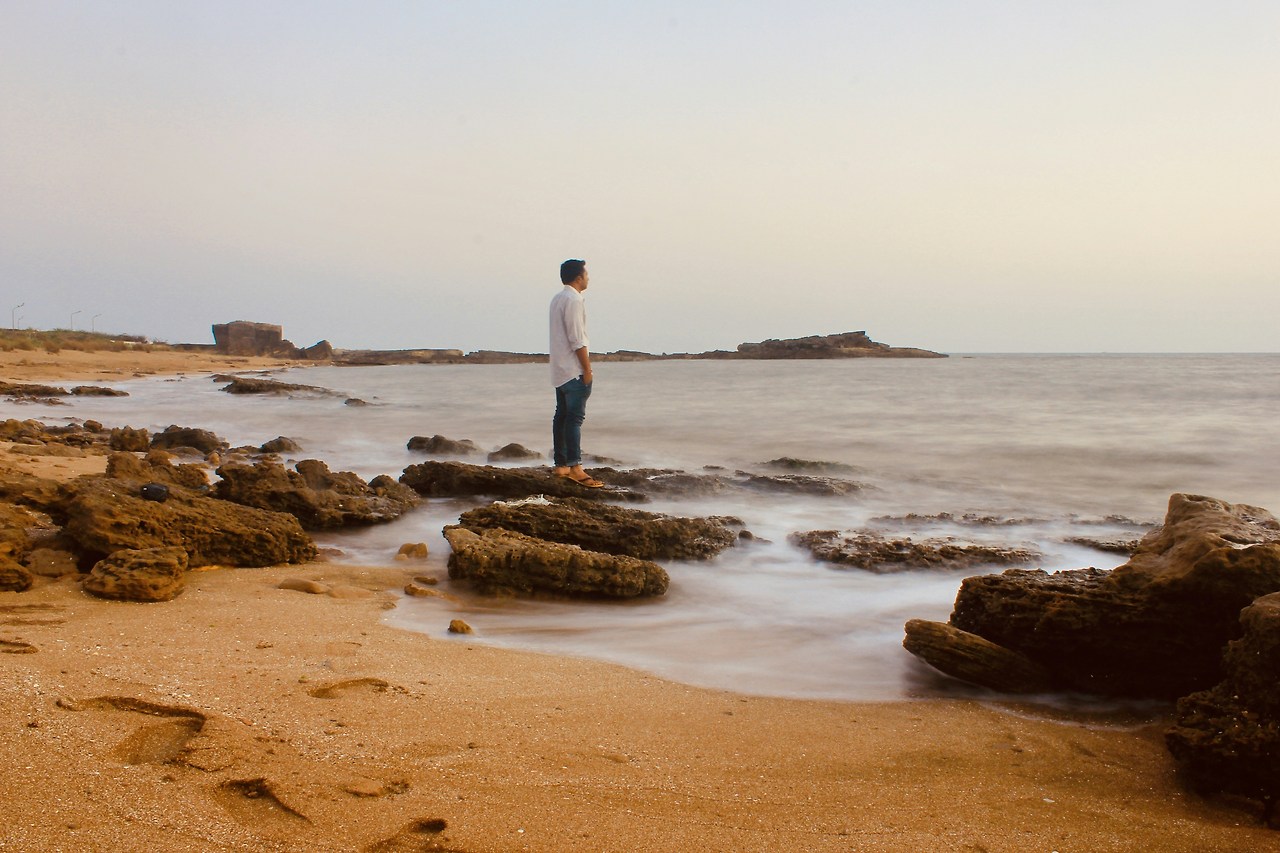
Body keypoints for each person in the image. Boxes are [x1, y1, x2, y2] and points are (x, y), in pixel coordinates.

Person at [549, 258, 603, 487]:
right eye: (586, 274)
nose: (588, 277)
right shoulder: (573, 299)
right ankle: (575, 467)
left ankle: (561, 466)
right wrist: (587, 369)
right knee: (574, 419)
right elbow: (577, 339)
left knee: (561, 416)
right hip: (573, 370)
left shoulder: (557, 299)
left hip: (559, 370)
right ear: (578, 277)